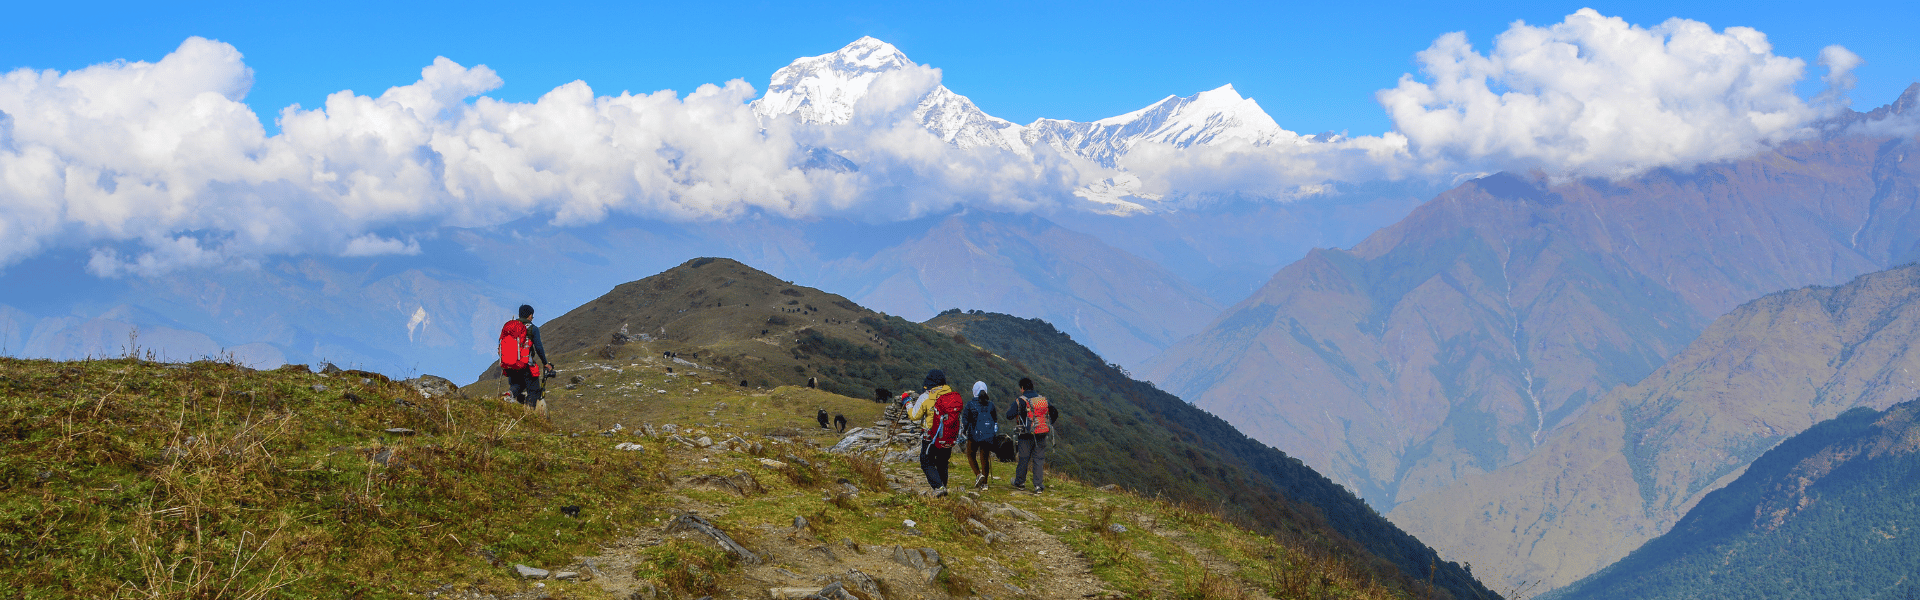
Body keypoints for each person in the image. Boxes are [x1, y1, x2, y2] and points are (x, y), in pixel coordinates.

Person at [909, 369, 964, 497]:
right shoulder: (951, 396)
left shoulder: (926, 396)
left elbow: (914, 416)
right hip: (949, 437)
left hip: (931, 438)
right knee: (943, 462)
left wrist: (907, 404)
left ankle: (938, 487)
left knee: (926, 461)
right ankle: (943, 488)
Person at [501, 304, 554, 409]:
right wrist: (545, 363)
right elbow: (539, 348)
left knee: (518, 385)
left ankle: (509, 395)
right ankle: (529, 414)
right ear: (530, 316)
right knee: (534, 390)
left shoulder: (511, 328)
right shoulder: (532, 329)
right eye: (532, 316)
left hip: (510, 365)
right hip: (525, 365)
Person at [1005, 377, 1053, 493]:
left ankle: (1020, 482)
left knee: (1024, 459)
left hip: (1026, 435)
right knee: (1038, 460)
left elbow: (1009, 415)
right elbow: (1054, 412)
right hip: (1041, 434)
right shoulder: (1042, 400)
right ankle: (1038, 486)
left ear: (1022, 388)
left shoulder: (1021, 400)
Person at [960, 380, 999, 489]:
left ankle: (978, 474)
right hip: (987, 435)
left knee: (971, 455)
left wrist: (962, 432)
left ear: (974, 391)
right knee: (984, 458)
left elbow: (965, 421)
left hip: (973, 435)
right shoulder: (991, 405)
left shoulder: (970, 404)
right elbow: (995, 421)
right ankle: (985, 484)